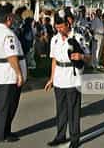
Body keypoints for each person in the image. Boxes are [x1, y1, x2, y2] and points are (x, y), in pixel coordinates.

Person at [44, 15, 90, 148]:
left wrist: (81, 56)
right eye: (57, 27)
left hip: (73, 78)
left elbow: (88, 57)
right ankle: (60, 136)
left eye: (61, 27)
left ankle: (75, 138)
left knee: (73, 110)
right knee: (61, 110)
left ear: (68, 24)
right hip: (59, 77)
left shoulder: (78, 38)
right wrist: (51, 78)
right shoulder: (55, 39)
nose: (59, 30)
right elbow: (54, 60)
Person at [0, 3, 27, 143]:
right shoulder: (8, 34)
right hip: (7, 74)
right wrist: (19, 74)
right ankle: (2, 134)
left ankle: (3, 132)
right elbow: (12, 56)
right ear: (8, 18)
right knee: (8, 106)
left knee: (2, 106)